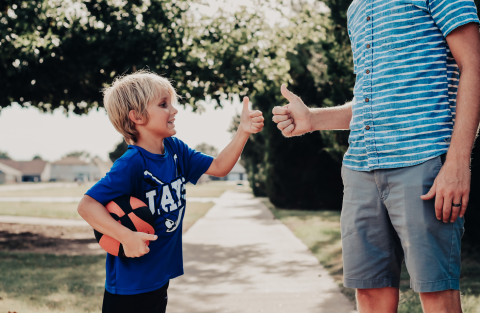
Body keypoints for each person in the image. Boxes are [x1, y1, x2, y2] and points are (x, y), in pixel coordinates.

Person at [272, 0, 480, 311]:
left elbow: (473, 66)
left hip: (422, 161)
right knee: (370, 294)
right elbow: (370, 103)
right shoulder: (356, 8)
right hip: (361, 168)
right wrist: (314, 119)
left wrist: (458, 163)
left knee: (435, 293)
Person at [77, 71, 264, 313]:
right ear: (137, 117)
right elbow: (87, 205)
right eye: (164, 104)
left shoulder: (176, 150)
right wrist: (126, 236)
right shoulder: (132, 163)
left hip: (158, 278)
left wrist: (243, 131)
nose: (174, 110)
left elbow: (219, 167)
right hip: (129, 287)